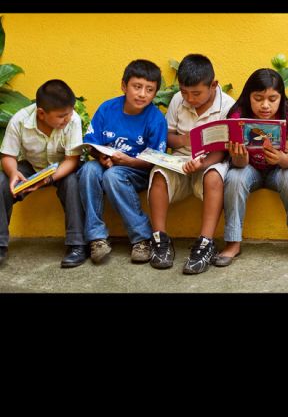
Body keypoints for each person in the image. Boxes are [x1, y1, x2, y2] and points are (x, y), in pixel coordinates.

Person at [221, 68, 288, 262]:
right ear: (248, 96)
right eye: (258, 98)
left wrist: (280, 159)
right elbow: (238, 164)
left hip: (279, 169)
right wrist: (240, 157)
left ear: (281, 97)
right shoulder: (238, 115)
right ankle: (233, 243)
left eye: (272, 99)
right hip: (249, 168)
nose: (265, 105)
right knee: (234, 177)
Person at [147, 54, 235, 274]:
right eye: (185, 92)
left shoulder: (228, 106)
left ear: (213, 85)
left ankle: (205, 242)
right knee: (158, 174)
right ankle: (159, 239)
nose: (190, 98)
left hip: (211, 161)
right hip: (180, 159)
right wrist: (183, 140)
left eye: (196, 93)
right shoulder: (179, 100)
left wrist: (203, 163)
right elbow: (168, 135)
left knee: (215, 176)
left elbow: (224, 149)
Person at [77, 59, 167, 265]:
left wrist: (127, 161)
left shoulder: (155, 119)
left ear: (155, 93)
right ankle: (97, 237)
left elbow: (155, 161)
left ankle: (142, 238)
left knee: (113, 175)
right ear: (124, 86)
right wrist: (101, 157)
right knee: (89, 170)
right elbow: (92, 144)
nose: (142, 94)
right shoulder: (107, 109)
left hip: (138, 172)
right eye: (137, 87)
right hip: (108, 166)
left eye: (149, 89)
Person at [0, 79, 86, 267]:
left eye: (70, 112)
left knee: (72, 182)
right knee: (2, 182)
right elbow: (7, 155)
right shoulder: (20, 120)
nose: (68, 118)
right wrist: (13, 173)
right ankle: (0, 245)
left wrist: (48, 179)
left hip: (61, 167)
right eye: (62, 115)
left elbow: (72, 160)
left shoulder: (73, 120)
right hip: (31, 166)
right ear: (41, 113)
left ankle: (77, 245)